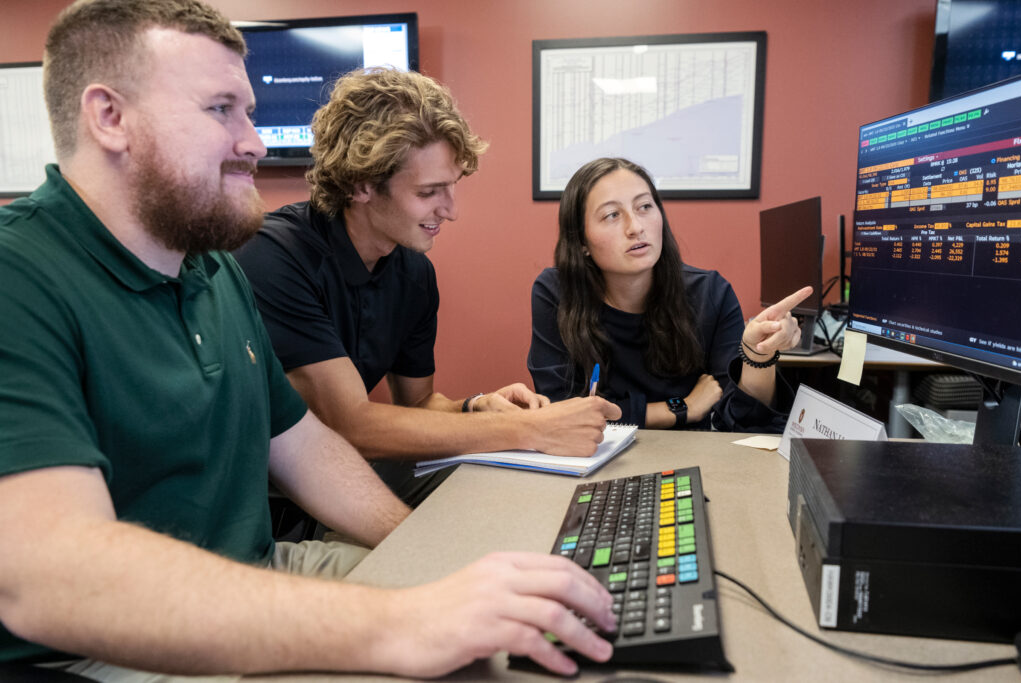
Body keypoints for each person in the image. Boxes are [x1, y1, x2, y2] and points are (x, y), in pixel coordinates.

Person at [0, 1, 616, 679]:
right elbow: (53, 578)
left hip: (257, 566)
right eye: (220, 110)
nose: (256, 143)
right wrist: (403, 619)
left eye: (250, 113)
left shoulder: (213, 269)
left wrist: (436, 560)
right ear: (109, 117)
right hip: (95, 647)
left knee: (505, 640)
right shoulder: (19, 277)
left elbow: (307, 448)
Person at [234, 68, 620, 506]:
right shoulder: (273, 254)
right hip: (271, 496)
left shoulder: (413, 271)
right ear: (362, 183)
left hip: (353, 468)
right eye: (429, 192)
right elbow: (350, 424)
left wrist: (475, 406)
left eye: (451, 188)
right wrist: (530, 430)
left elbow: (417, 405)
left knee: (514, 492)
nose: (450, 211)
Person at [528, 157, 811, 432]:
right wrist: (681, 408)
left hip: (690, 461)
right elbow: (560, 411)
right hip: (595, 458)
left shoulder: (710, 293)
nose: (636, 227)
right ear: (581, 242)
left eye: (645, 207)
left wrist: (757, 354)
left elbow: (743, 423)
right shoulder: (556, 293)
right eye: (612, 215)